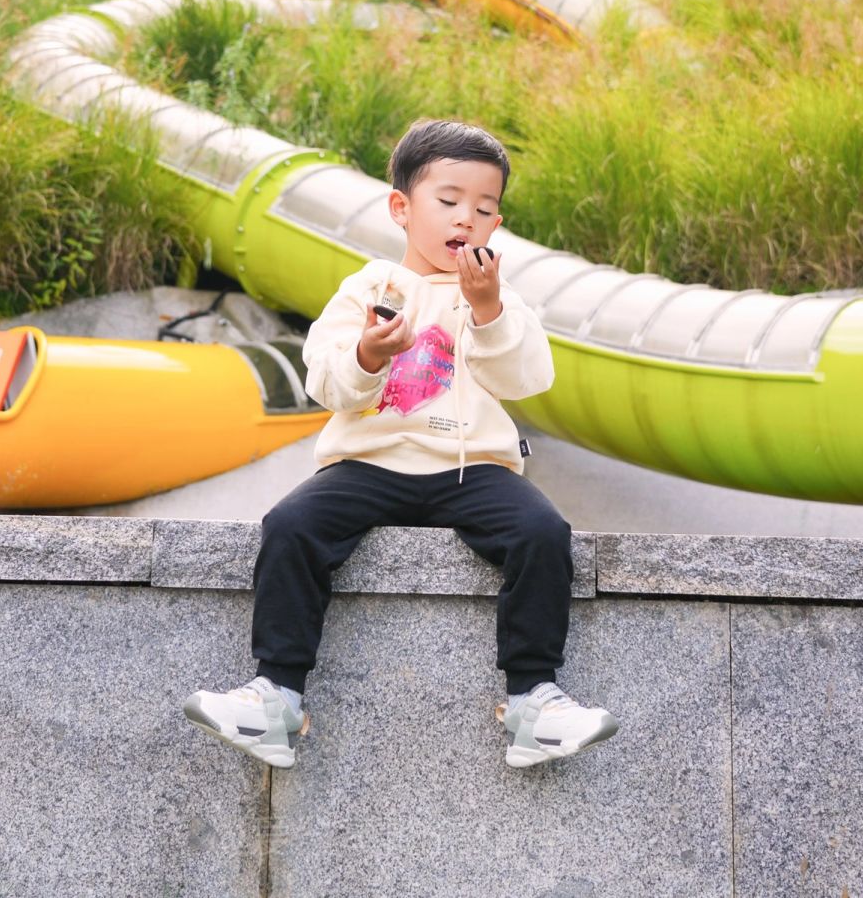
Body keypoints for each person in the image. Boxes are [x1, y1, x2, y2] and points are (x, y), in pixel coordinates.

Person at [183, 119, 618, 769]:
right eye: (448, 202)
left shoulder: (497, 296)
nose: (466, 219)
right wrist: (366, 353)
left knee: (541, 531)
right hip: (371, 461)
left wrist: (490, 311)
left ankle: (533, 701)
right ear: (401, 208)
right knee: (293, 524)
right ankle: (275, 696)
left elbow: (527, 378)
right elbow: (327, 382)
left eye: (485, 208)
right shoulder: (369, 288)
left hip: (472, 467)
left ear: (497, 224)